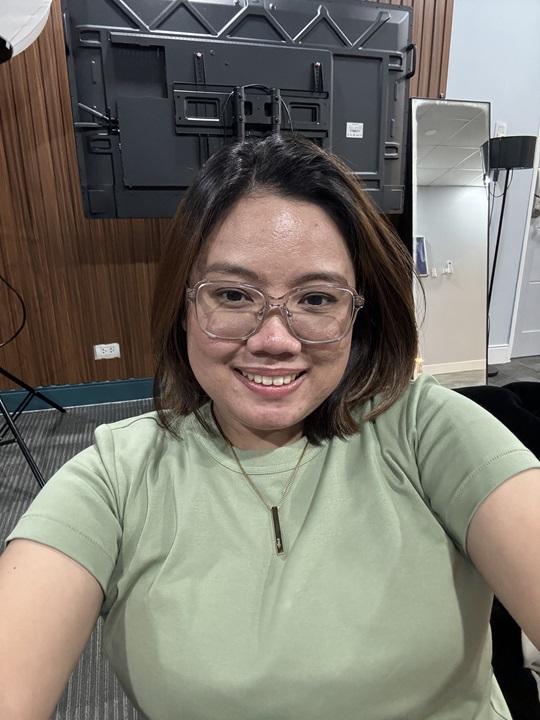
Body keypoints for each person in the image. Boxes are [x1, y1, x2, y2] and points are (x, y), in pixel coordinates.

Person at [1, 133, 539, 720]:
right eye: (234, 294)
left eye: (316, 299)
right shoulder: (116, 479)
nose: (274, 340)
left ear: (358, 315)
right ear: (183, 307)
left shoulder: (428, 432)